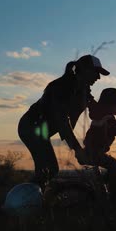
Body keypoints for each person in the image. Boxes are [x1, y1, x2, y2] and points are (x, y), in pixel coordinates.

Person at [18, 54, 109, 189]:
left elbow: (95, 110)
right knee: (49, 169)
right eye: (96, 72)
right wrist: (77, 149)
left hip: (40, 131)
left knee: (47, 170)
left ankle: (38, 198)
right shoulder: (61, 87)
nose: (98, 77)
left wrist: (110, 113)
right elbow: (61, 121)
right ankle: (24, 200)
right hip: (31, 128)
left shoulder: (82, 90)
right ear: (84, 70)